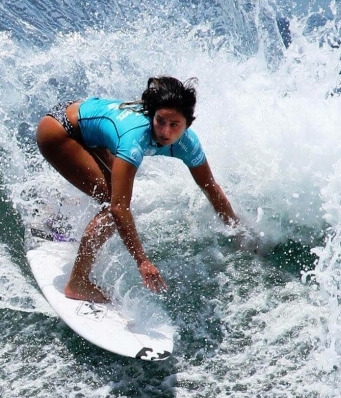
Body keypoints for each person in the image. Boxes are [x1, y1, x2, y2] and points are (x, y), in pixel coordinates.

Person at [35, 76, 238, 303]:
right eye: (160, 121)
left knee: (112, 188)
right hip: (59, 129)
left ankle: (57, 220)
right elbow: (119, 208)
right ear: (153, 115)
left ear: (188, 125)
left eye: (174, 125)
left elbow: (210, 187)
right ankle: (78, 281)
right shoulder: (135, 136)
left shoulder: (189, 145)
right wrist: (142, 261)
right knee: (112, 203)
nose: (165, 132)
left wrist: (236, 229)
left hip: (85, 123)